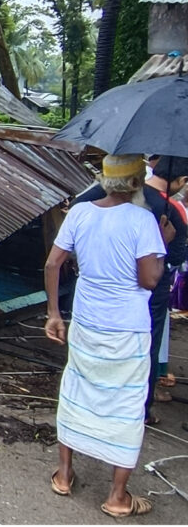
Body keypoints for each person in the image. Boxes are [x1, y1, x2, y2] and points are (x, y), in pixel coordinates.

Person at [44, 154, 173, 518]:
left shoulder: (82, 212)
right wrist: (161, 244)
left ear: (104, 179)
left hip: (86, 320)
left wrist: (54, 313)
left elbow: (53, 263)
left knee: (77, 389)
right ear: (136, 184)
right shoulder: (143, 220)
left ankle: (65, 475)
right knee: (127, 402)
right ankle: (117, 496)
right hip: (127, 328)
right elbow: (149, 279)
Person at [77, 155, 188, 424]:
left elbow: (59, 257)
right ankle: (139, 409)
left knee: (97, 347)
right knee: (143, 351)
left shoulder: (92, 199)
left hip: (98, 290)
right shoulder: (168, 210)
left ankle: (91, 404)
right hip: (147, 294)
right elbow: (169, 262)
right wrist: (163, 241)